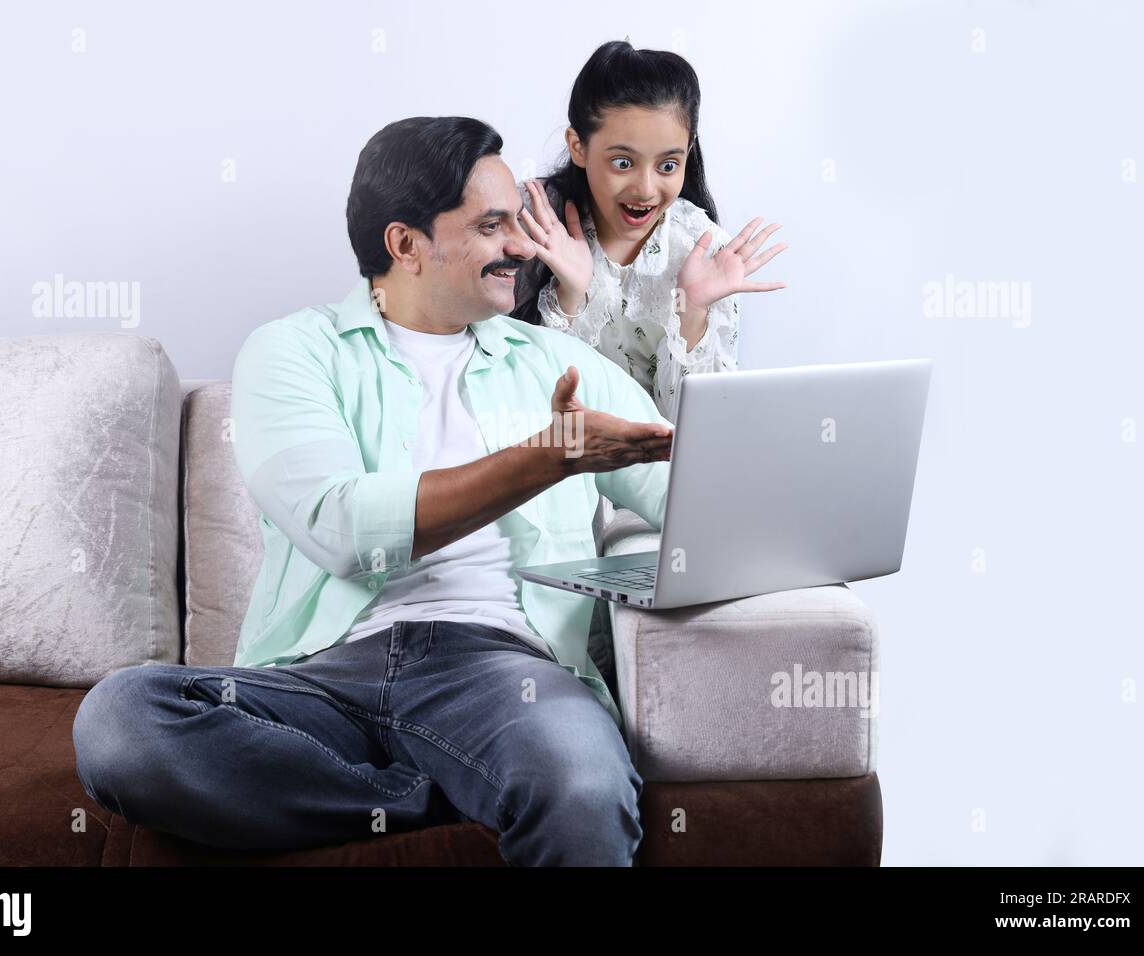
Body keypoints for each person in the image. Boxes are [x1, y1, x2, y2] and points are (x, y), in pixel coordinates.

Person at [72, 115, 678, 866]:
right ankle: (425, 792)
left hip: (503, 670)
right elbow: (342, 529)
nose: (522, 248)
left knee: (582, 784)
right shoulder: (294, 351)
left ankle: (454, 777)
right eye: (492, 227)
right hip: (320, 677)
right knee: (122, 721)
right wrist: (542, 459)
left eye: (516, 224)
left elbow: (684, 490)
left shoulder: (552, 361)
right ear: (405, 245)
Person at [512, 39, 788, 427]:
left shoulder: (702, 250)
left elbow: (692, 432)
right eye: (623, 163)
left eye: (668, 165)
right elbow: (518, 400)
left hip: (650, 475)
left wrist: (692, 312)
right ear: (578, 147)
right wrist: (570, 296)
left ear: (687, 152)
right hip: (553, 472)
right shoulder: (533, 219)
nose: (645, 189)